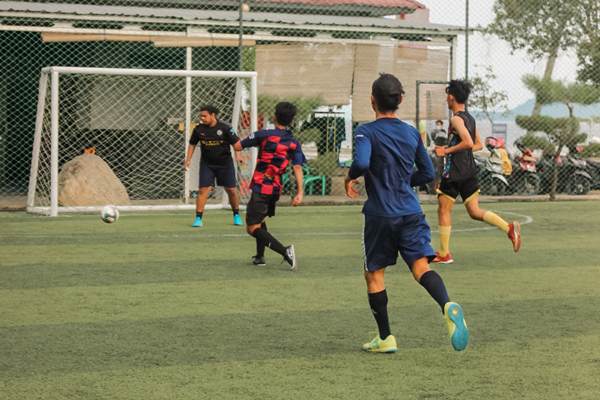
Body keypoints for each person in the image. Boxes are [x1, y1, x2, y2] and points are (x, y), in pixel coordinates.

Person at [344, 73, 469, 353]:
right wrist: (401, 181)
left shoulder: (366, 131)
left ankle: (386, 338)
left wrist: (349, 177)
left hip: (380, 214)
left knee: (374, 275)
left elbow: (361, 162)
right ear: (400, 100)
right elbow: (426, 173)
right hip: (412, 211)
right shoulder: (412, 133)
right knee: (421, 267)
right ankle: (447, 304)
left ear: (373, 100)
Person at [433, 80, 521, 264]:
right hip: (469, 171)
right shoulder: (470, 119)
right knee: (474, 211)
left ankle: (444, 254)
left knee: (443, 210)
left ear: (450, 97)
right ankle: (509, 228)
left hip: (455, 171)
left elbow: (467, 143)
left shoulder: (456, 119)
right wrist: (457, 147)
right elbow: (478, 145)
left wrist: (446, 151)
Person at [233, 102, 306, 270]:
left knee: (252, 229)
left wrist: (230, 135)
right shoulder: (294, 142)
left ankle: (285, 251)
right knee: (261, 219)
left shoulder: (263, 135)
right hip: (275, 187)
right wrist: (300, 193)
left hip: (262, 185)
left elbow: (237, 146)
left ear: (274, 117)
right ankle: (260, 257)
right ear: (292, 121)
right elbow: (297, 166)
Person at [184, 105, 245, 227]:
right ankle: (198, 218)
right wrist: (188, 160)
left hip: (225, 164)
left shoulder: (225, 127)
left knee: (231, 190)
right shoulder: (198, 129)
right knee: (203, 190)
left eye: (204, 116)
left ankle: (236, 214)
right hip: (207, 165)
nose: (202, 118)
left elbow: (236, 143)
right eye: (201, 116)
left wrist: (238, 156)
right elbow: (192, 144)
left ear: (213, 115)